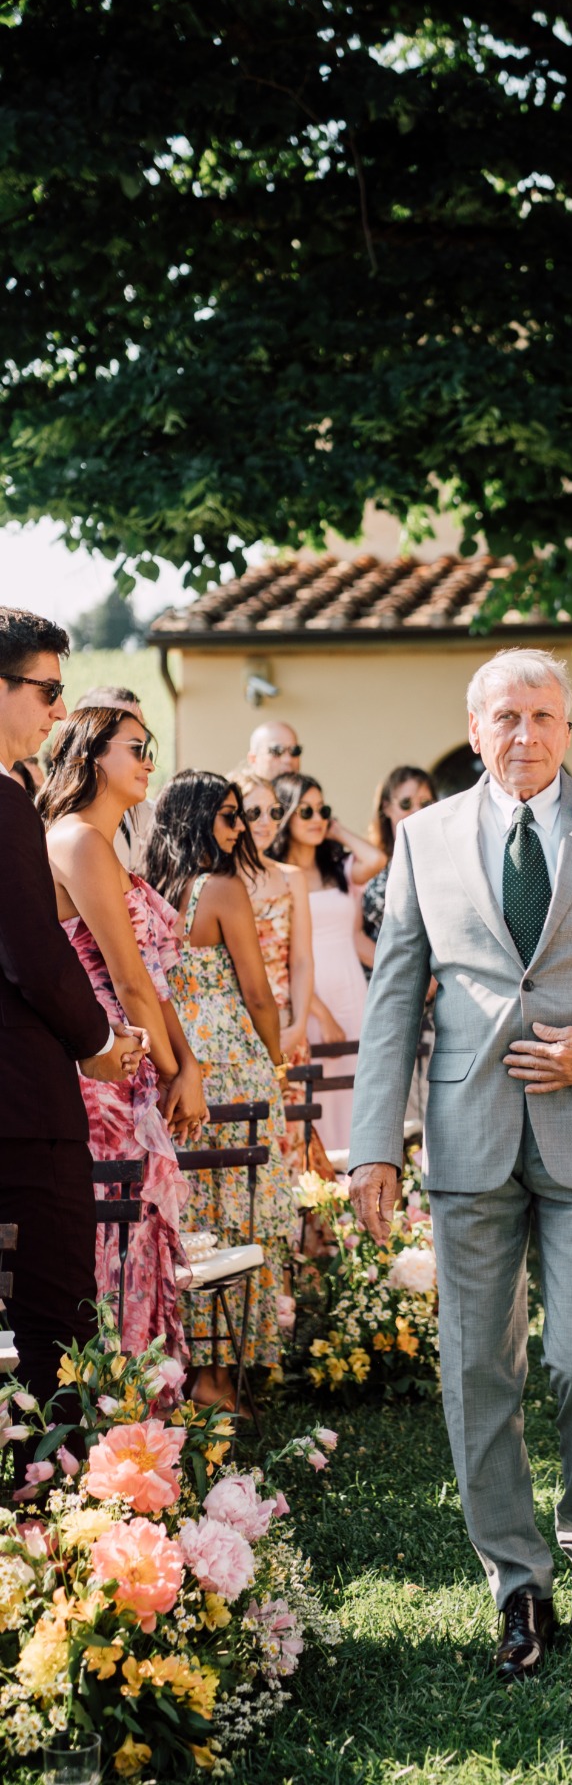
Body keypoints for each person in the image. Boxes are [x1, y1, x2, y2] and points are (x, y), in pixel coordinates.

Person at [348, 647, 572, 1681]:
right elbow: (394, 1000)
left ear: (569, 726)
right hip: (467, 1134)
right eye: (506, 717)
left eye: (545, 716)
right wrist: (376, 1143)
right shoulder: (422, 838)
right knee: (478, 1367)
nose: (526, 735)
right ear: (476, 730)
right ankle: (515, 1577)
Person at [0, 608, 144, 1425]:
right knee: (57, 1329)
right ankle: (64, 1524)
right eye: (48, 690)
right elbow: (30, 952)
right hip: (19, 1108)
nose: (59, 711)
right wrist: (96, 1043)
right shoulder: (2, 801)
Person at [43, 707, 202, 1367]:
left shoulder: (103, 846)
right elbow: (129, 980)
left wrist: (186, 1065)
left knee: (139, 1232)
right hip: (103, 1069)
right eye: (136, 748)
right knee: (119, 1236)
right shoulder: (75, 840)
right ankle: (116, 1402)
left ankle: (143, 1414)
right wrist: (176, 1075)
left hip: (139, 1061)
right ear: (91, 755)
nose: (149, 762)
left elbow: (155, 985)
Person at [143, 772, 298, 1405]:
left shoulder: (154, 890)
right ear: (200, 818)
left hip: (177, 1064)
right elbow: (258, 993)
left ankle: (183, 1367)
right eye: (230, 816)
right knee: (239, 1212)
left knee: (192, 1214)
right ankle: (216, 1377)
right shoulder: (225, 889)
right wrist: (275, 1058)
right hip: (231, 1064)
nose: (240, 829)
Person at [268, 774, 385, 1153]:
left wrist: (336, 830)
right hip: (310, 1000)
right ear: (284, 815)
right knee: (318, 1098)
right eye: (306, 811)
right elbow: (284, 955)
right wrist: (319, 1014)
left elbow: (376, 859)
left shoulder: (337, 869)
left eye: (323, 809)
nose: (317, 818)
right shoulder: (276, 876)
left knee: (358, 1094)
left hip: (353, 991)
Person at [227, 768, 330, 1176]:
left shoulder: (291, 878)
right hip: (236, 1027)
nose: (267, 822)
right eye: (254, 813)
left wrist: (299, 1023)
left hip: (286, 1024)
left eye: (273, 811)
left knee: (293, 1137)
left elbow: (302, 958)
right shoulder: (218, 881)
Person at [361, 765, 437, 965]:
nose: (416, 811)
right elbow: (353, 934)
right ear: (386, 807)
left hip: (438, 979)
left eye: (425, 803)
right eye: (405, 803)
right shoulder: (368, 861)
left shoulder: (446, 859)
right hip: (380, 977)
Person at [74, 686, 155, 870]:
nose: (148, 764)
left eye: (145, 740)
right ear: (91, 743)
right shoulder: (68, 830)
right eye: (134, 745)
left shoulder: (151, 815)